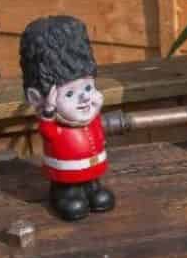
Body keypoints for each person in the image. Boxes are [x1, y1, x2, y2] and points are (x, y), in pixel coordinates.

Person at [19, 15, 118, 221]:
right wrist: (48, 112)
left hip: (92, 164)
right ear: (38, 99)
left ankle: (92, 190)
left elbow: (98, 128)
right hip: (65, 172)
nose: (84, 98)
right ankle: (64, 195)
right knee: (70, 193)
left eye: (88, 87)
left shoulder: (89, 116)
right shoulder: (54, 121)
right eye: (70, 94)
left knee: (95, 189)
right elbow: (48, 132)